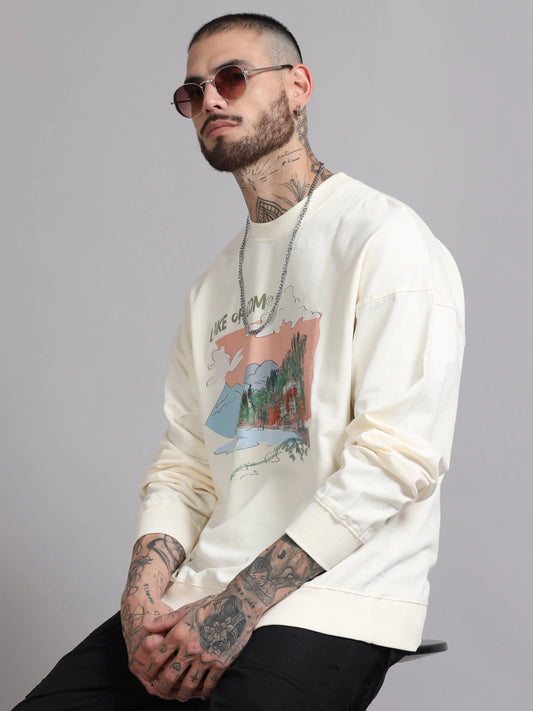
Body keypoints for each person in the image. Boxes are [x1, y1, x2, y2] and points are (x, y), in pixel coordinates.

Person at [14, 12, 465, 711]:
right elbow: (187, 463)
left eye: (231, 78)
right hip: (195, 594)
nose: (210, 100)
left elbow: (396, 458)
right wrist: (140, 602)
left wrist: (238, 607)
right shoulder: (210, 289)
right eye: (192, 91)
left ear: (297, 85)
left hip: (334, 599)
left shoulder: (384, 239)